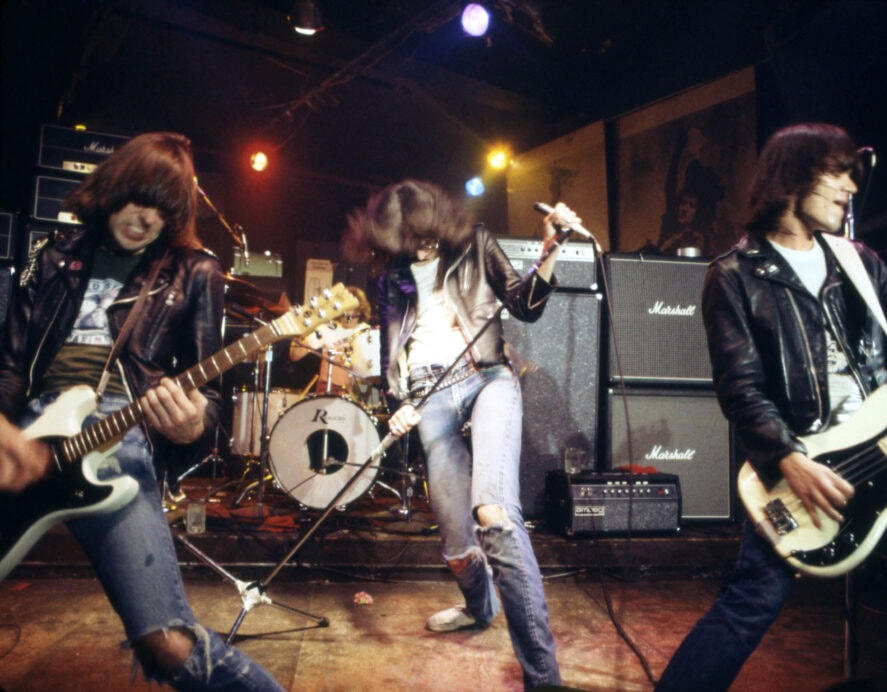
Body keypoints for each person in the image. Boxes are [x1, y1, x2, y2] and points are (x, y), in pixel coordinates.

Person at [656, 123, 887, 691]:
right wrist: (789, 460)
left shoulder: (858, 260)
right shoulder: (733, 275)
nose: (851, 185)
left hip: (883, 451)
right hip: (804, 462)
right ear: (791, 178)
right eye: (836, 172)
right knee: (754, 599)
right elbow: (741, 388)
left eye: (852, 173)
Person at [0, 132, 284, 691]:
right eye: (138, 198)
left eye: (163, 208)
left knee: (165, 644)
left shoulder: (195, 270)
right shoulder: (52, 256)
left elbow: (210, 407)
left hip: (115, 435)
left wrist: (191, 424)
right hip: (25, 431)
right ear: (113, 189)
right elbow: (9, 366)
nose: (146, 218)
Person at [345, 179, 579, 689]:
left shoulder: (474, 243)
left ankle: (545, 678)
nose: (421, 246)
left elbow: (526, 305)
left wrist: (549, 251)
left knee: (493, 512)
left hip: (487, 378)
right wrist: (399, 405)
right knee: (455, 544)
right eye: (408, 238)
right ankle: (479, 609)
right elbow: (390, 358)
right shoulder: (392, 278)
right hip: (430, 396)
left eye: (425, 234)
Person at [288, 285, 378, 397]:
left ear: (361, 312)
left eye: (353, 316)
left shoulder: (368, 332)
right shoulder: (327, 328)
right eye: (344, 315)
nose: (348, 320)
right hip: (328, 389)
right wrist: (299, 330)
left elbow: (374, 370)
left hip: (360, 390)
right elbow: (295, 356)